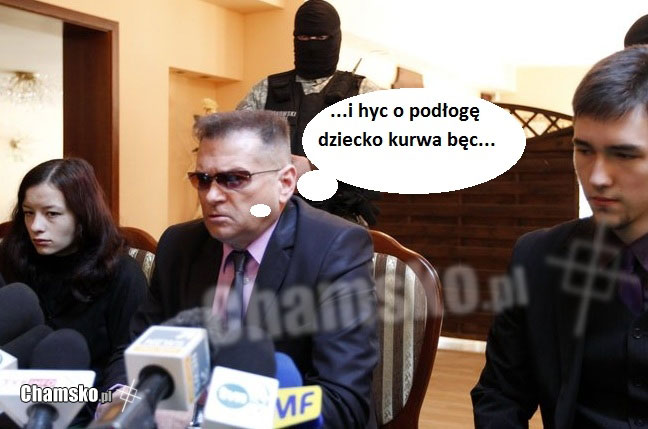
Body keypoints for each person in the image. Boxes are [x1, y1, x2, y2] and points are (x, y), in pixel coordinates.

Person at [131, 110, 378, 428]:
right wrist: (127, 400)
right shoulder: (179, 245)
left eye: (234, 179)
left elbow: (342, 403)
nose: (212, 196)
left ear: (285, 183)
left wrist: (219, 414)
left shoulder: (335, 248)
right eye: (203, 179)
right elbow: (136, 349)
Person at [472, 46, 648, 428]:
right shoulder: (538, 258)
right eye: (584, 150)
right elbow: (500, 393)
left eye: (624, 155)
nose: (597, 177)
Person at [0, 158, 147, 425]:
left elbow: (128, 350)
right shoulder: (11, 259)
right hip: (9, 400)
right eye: (28, 213)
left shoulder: (123, 272)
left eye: (51, 214)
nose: (36, 226)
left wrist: (114, 403)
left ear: (83, 215)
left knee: (65, 342)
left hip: (87, 404)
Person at [237, 0, 381, 226]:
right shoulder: (266, 90)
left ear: (335, 39)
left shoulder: (363, 92)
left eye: (320, 38)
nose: (312, 45)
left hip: (340, 220)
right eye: (304, 37)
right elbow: (235, 149)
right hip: (274, 219)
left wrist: (314, 167)